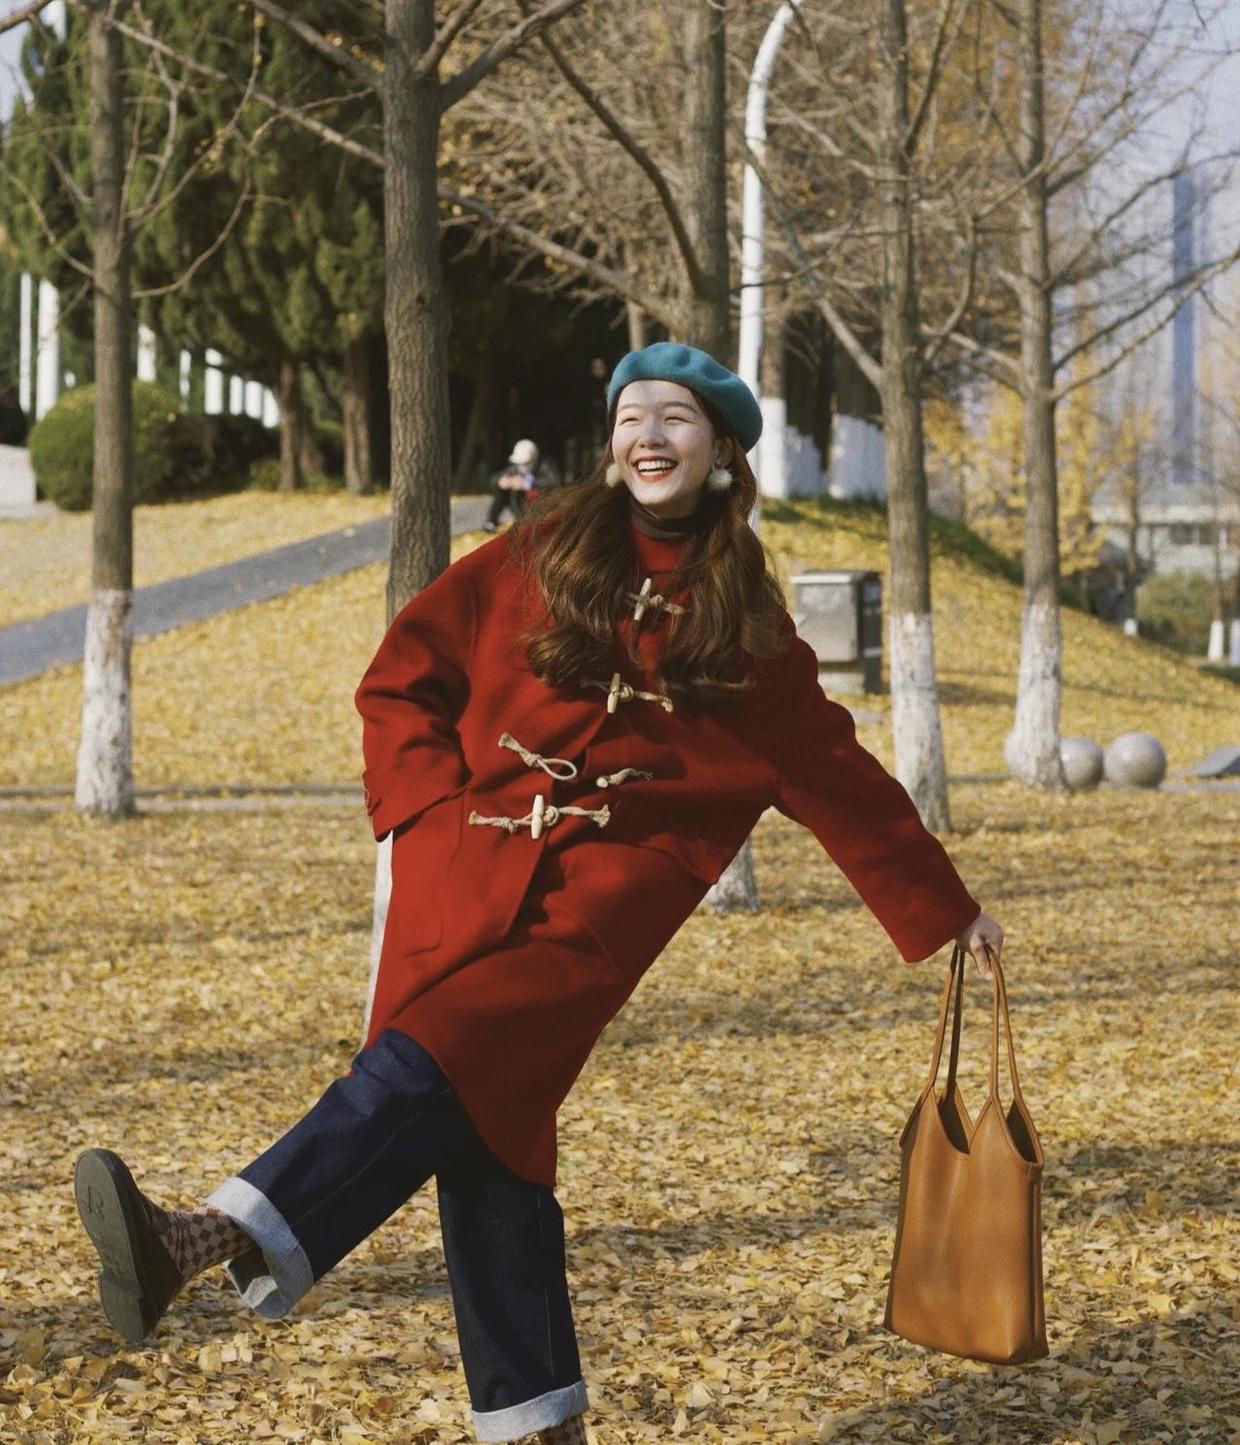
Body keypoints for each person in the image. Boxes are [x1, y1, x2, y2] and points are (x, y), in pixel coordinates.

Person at [75, 342, 1004, 1445]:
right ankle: (536, 1421)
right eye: (631, 416)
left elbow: (837, 776)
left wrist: (945, 906)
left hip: (598, 912)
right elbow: (400, 680)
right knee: (489, 1144)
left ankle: (201, 1236)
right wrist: (426, 818)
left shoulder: (746, 625)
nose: (649, 435)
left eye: (677, 418)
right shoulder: (531, 556)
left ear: (719, 451)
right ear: (611, 444)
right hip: (461, 874)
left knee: (432, 1062)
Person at [484, 438, 541, 532]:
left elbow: (552, 483)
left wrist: (526, 484)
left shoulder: (544, 466)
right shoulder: (516, 468)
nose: (523, 466)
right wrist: (501, 482)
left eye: (526, 462)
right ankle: (490, 522)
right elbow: (494, 479)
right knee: (501, 493)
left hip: (539, 508)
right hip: (520, 508)